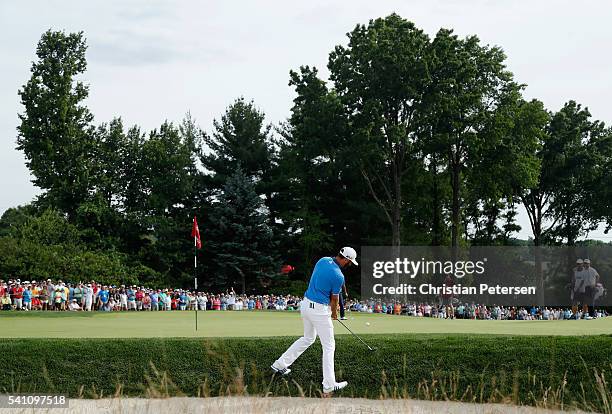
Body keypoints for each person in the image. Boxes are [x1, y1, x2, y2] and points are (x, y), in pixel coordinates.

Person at [271, 246, 357, 396]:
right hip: (319, 310)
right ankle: (329, 384)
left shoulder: (323, 260)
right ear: (346, 259)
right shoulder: (339, 276)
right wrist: (334, 313)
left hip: (306, 305)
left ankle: (279, 364)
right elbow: (335, 298)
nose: (349, 265)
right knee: (329, 346)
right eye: (349, 262)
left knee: (308, 338)